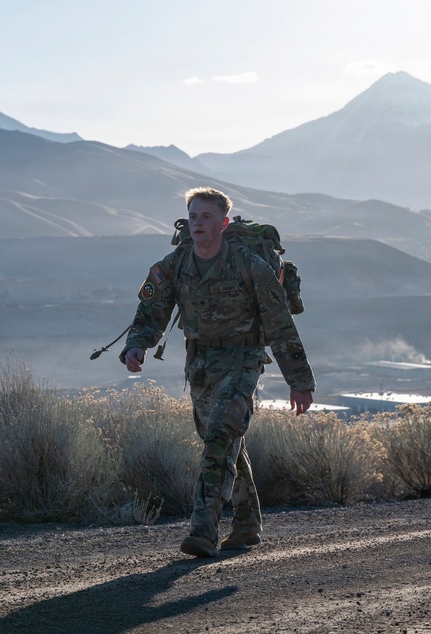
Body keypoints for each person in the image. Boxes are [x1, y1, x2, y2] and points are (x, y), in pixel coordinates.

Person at [121, 186, 316, 558]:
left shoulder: (249, 265)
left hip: (242, 360)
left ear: (223, 224)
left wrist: (300, 382)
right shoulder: (175, 263)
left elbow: (280, 325)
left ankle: (203, 532)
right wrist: (137, 345)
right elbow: (150, 312)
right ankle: (246, 524)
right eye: (193, 216)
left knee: (219, 440)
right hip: (199, 364)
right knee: (223, 443)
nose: (197, 223)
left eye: (206, 217)